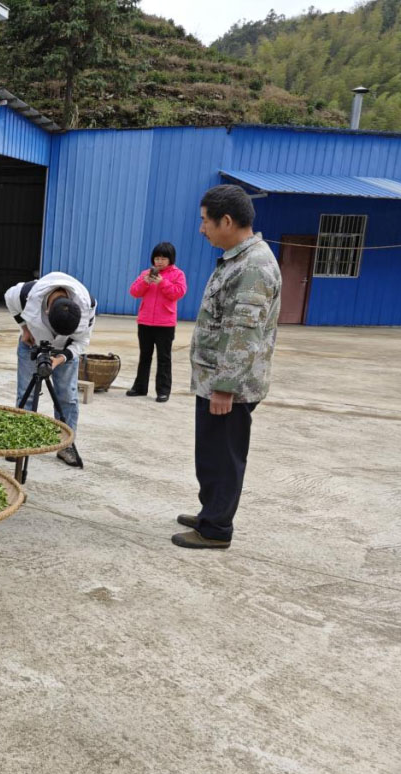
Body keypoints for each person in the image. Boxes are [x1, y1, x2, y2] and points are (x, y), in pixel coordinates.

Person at [173, 184, 281, 550]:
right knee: (210, 454)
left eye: (205, 221)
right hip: (215, 380)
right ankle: (210, 512)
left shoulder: (253, 267)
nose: (201, 228)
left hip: (228, 387)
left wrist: (225, 387)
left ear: (227, 220)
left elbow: (243, 333)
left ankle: (216, 528)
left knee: (224, 457)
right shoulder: (238, 259)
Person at [5, 271, 96, 466]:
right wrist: (25, 328)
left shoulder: (88, 304)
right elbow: (8, 297)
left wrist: (61, 358)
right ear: (47, 311)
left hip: (66, 351)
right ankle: (20, 442)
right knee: (26, 395)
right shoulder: (26, 293)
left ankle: (66, 445)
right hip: (31, 345)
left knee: (68, 397)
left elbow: (82, 341)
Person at [127, 241, 187, 402]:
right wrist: (145, 281)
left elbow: (178, 293)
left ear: (170, 259)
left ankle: (163, 391)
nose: (159, 262)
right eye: (157, 258)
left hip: (165, 324)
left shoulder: (177, 274)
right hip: (145, 321)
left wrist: (162, 283)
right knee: (144, 356)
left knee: (164, 358)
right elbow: (134, 292)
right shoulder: (146, 273)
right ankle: (139, 387)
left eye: (163, 258)